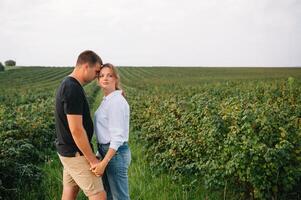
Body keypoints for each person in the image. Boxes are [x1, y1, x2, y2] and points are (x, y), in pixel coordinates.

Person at [55, 50, 106, 200]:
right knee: (99, 195)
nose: (97, 76)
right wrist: (92, 159)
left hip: (67, 151)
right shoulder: (72, 88)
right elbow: (76, 130)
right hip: (75, 153)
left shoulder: (69, 84)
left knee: (69, 194)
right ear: (85, 66)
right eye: (97, 71)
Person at [92, 63, 131, 200]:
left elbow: (117, 137)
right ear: (98, 81)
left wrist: (104, 162)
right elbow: (105, 131)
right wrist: (99, 153)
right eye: (101, 76)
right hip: (107, 152)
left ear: (116, 79)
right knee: (108, 195)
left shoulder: (116, 102)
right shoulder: (107, 100)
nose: (105, 78)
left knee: (120, 197)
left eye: (109, 75)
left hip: (115, 154)